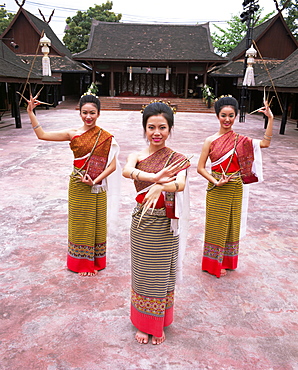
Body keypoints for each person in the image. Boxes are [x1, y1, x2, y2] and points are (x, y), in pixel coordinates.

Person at [26, 93, 120, 277]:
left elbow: (113, 165)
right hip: (78, 185)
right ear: (80, 113)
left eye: (92, 113)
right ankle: (82, 264)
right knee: (80, 224)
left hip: (97, 186)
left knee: (97, 223)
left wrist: (95, 179)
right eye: (85, 112)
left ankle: (97, 261)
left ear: (99, 113)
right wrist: (30, 112)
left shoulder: (105, 137)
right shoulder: (73, 134)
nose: (88, 117)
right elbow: (42, 135)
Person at [122, 101, 190, 345]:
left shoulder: (177, 159)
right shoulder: (137, 156)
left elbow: (180, 184)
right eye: (151, 127)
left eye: (162, 127)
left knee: (161, 276)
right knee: (142, 274)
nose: (157, 133)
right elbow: (126, 171)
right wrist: (153, 177)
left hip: (165, 224)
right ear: (145, 129)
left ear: (170, 129)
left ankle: (157, 322)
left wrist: (161, 186)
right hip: (142, 223)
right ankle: (143, 324)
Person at [197, 95, 274, 278]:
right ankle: (213, 263)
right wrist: (216, 181)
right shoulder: (210, 140)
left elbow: (265, 143)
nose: (227, 119)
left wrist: (270, 118)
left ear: (235, 116)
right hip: (216, 188)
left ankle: (227, 260)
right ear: (217, 116)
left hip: (235, 187)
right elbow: (200, 168)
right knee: (216, 226)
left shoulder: (241, 140)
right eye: (223, 115)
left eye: (231, 115)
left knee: (232, 225)